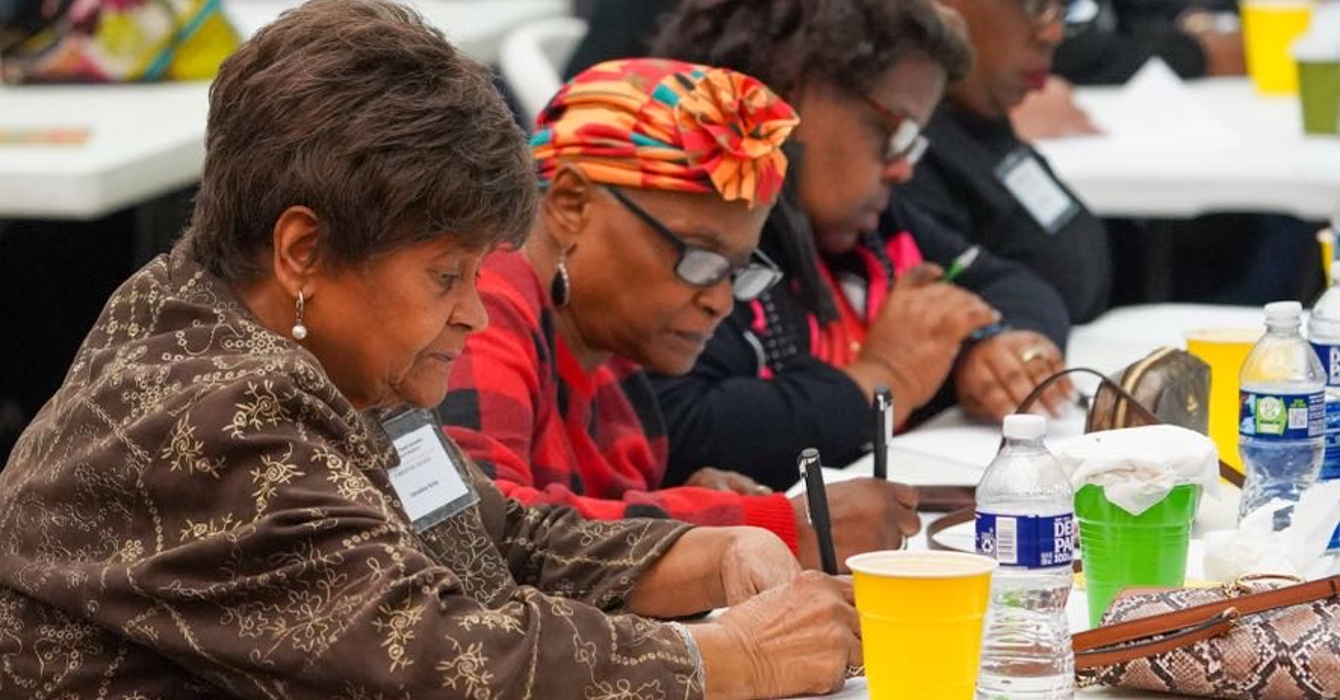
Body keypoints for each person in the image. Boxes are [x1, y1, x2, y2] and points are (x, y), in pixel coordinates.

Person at [0, 3, 863, 697]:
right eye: (446, 275)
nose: (477, 317)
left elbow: (493, 538)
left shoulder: (317, 351)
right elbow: (436, 660)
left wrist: (711, 556)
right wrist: (731, 659)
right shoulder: (212, 408)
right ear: (304, 250)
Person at [439, 57, 921, 570]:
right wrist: (770, 526)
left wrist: (691, 502)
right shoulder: (484, 305)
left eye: (736, 270)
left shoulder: (611, 345)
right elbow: (481, 531)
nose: (720, 300)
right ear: (572, 204)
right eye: (699, 258)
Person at [652, 0, 1074, 489]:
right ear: (787, 93)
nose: (903, 168)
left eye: (913, 143)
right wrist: (883, 378)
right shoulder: (695, 243)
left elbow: (1014, 283)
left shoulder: (875, 230)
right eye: (891, 133)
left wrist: (988, 348)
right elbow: (678, 429)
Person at [886, 0, 1113, 324]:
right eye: (1035, 5)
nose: (1054, 32)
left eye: (1062, 8)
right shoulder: (903, 161)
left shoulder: (980, 118)